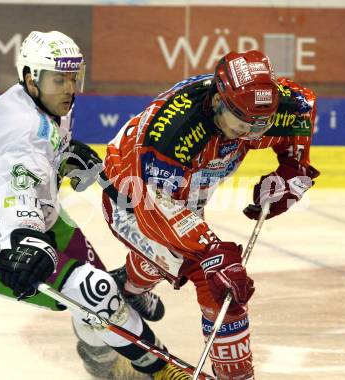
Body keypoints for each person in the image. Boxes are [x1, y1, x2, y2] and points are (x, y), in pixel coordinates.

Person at [0, 30, 188, 380]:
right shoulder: (20, 133)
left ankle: (97, 352)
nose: (70, 88)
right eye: (59, 79)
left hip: (47, 218)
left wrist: (62, 157)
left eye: (73, 77)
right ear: (30, 78)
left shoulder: (36, 101)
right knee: (99, 297)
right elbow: (14, 186)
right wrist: (27, 237)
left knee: (99, 296)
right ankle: (160, 371)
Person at [101, 50, 320, 380]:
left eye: (261, 125)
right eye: (243, 122)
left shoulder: (260, 109)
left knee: (179, 259)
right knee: (218, 280)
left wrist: (293, 166)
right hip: (132, 195)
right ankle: (235, 374)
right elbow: (153, 208)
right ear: (220, 99)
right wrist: (212, 253)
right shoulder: (174, 130)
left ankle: (127, 288)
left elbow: (304, 106)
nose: (251, 134)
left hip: (185, 189)